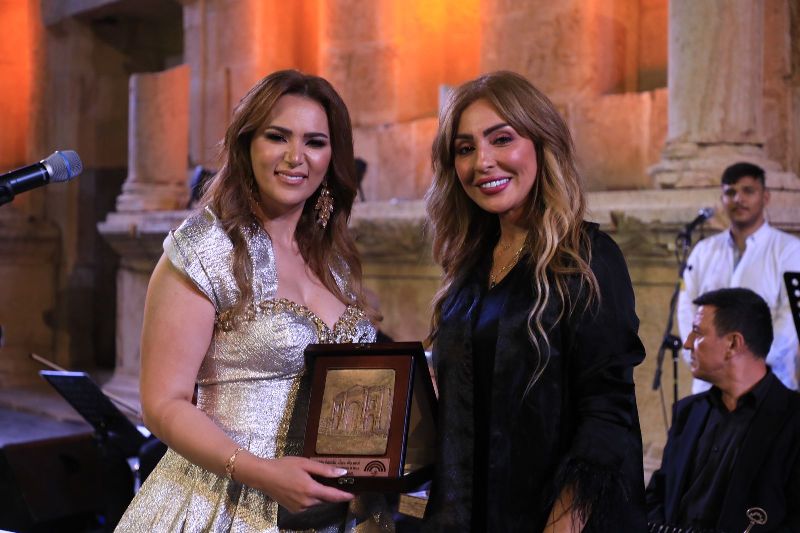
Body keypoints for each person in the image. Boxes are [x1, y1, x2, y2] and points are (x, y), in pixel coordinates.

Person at [115, 70, 392, 532]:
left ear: (332, 157)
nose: (295, 157)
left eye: (315, 142)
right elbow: (162, 404)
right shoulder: (205, 249)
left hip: (338, 513)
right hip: (223, 505)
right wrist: (262, 473)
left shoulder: (334, 260)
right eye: (277, 137)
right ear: (246, 145)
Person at [422, 71, 646, 532]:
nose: (483, 162)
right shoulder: (468, 268)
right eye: (465, 148)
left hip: (559, 518)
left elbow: (607, 410)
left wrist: (562, 523)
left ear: (542, 144)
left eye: (502, 139)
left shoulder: (587, 259)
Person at [646, 288, 800, 532]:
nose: (687, 343)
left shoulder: (793, 420)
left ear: (733, 343)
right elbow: (657, 497)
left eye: (697, 332)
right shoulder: (688, 413)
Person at [677, 162, 800, 393]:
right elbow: (687, 310)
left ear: (765, 197)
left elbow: (790, 320)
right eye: (730, 192)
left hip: (767, 383)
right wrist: (702, 355)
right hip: (709, 385)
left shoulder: (790, 250)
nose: (738, 199)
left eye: (748, 191)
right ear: (722, 199)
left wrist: (743, 362)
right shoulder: (704, 251)